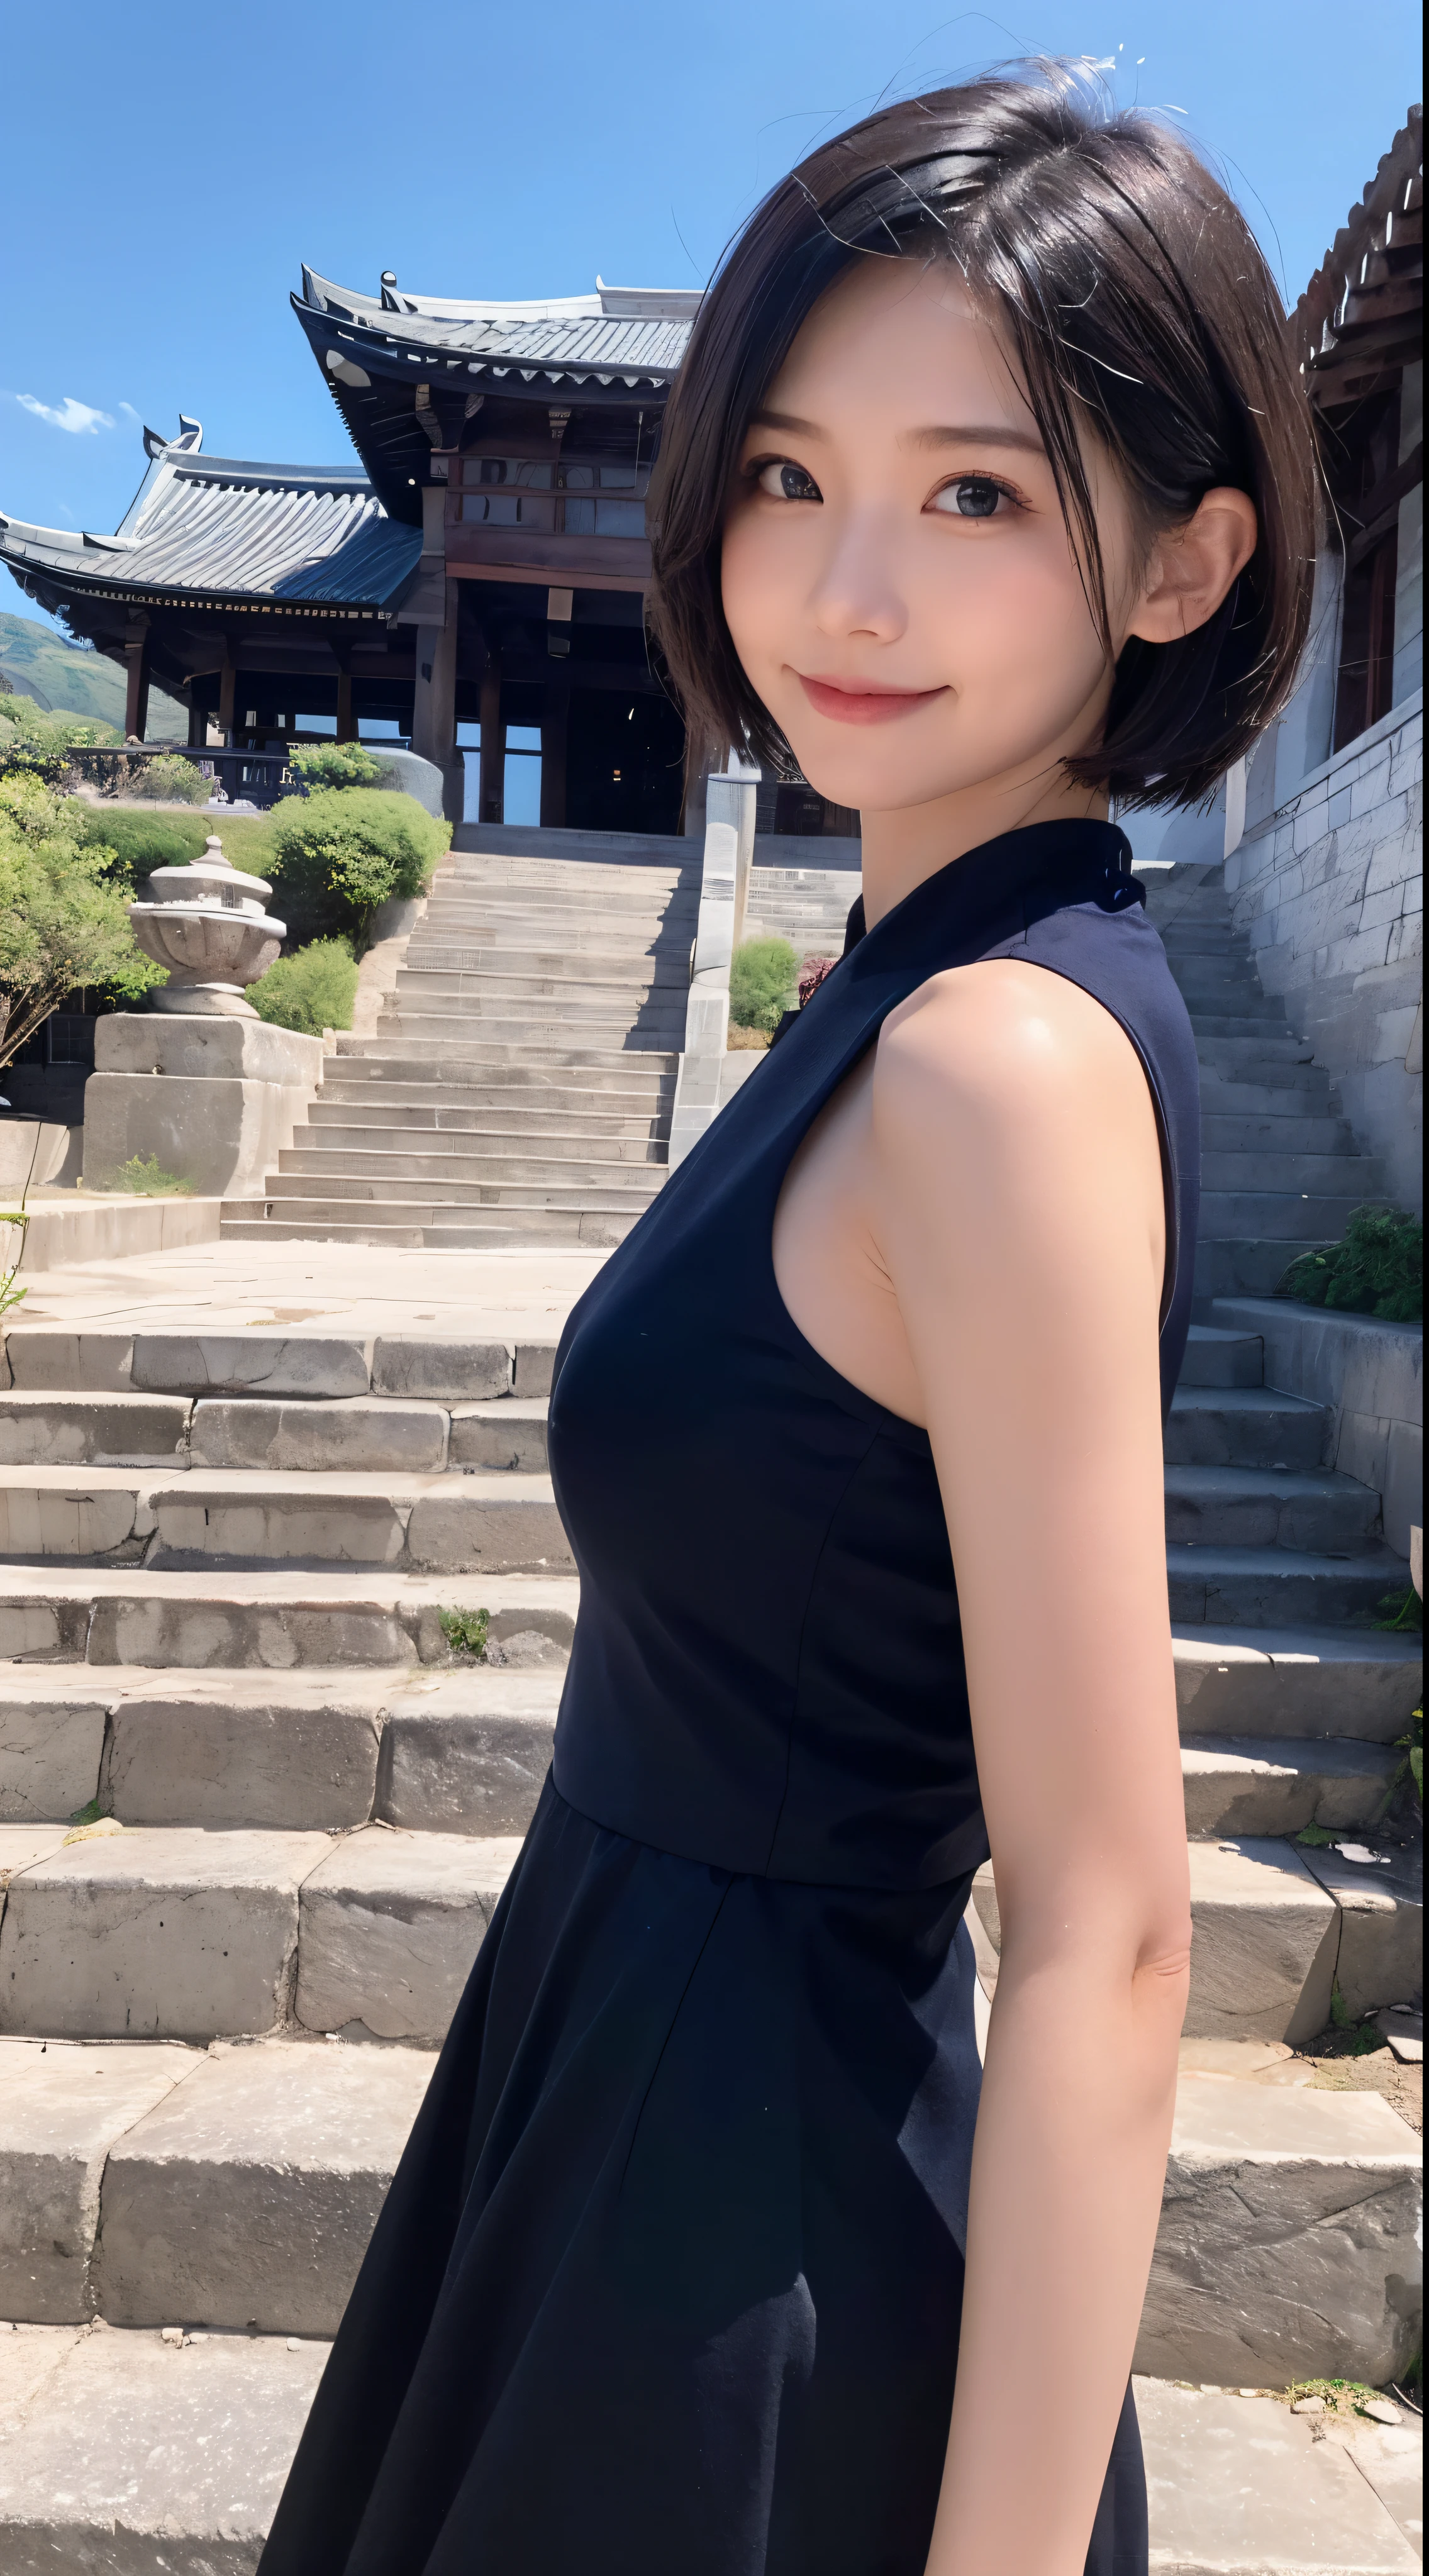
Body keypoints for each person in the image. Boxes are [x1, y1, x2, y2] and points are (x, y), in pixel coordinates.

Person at [259, 62, 1317, 2576]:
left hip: (735, 2227)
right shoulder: (908, 976)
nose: (844, 590)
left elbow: (1113, 1914)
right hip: (636, 2113)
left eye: (972, 492)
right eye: (782, 475)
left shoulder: (994, 1058)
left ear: (1175, 564)